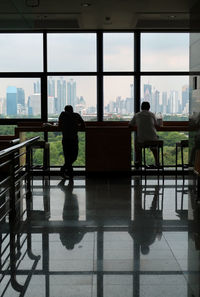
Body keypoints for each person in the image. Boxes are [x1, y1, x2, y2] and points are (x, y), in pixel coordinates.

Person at [129, 101, 159, 168]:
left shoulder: (137, 115)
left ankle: (138, 161)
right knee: (154, 146)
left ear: (141, 107)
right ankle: (157, 162)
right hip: (152, 140)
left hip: (142, 140)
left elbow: (130, 124)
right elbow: (156, 124)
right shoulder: (152, 115)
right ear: (149, 108)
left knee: (137, 143)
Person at [59, 105, 85, 178]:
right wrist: (76, 126)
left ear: (65, 110)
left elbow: (60, 125)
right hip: (73, 138)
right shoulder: (76, 115)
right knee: (74, 156)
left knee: (67, 157)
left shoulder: (62, 115)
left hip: (65, 139)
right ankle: (66, 171)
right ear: (72, 110)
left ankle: (67, 172)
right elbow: (83, 125)